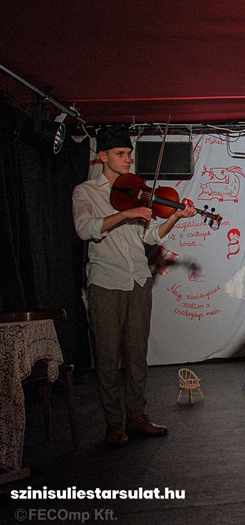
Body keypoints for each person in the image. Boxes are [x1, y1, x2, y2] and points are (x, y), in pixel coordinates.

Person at [72, 125, 197, 447]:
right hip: (106, 282)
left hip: (138, 279)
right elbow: (85, 229)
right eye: (121, 154)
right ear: (103, 157)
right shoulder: (85, 192)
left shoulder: (136, 189)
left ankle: (137, 416)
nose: (128, 159)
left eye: (129, 153)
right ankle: (114, 422)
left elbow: (150, 236)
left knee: (138, 353)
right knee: (107, 355)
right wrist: (124, 215)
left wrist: (175, 217)